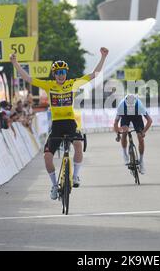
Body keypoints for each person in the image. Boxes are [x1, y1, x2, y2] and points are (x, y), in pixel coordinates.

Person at [11, 47, 109, 200]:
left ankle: (75, 176)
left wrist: (103, 57)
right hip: (56, 124)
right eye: (58, 73)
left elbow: (93, 75)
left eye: (63, 72)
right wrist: (15, 63)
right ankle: (54, 185)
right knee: (47, 156)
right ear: (54, 74)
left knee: (78, 144)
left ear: (66, 74)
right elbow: (28, 78)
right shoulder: (49, 85)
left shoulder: (72, 84)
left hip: (70, 122)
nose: (61, 75)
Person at [113, 94, 153, 174]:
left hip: (136, 117)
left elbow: (149, 120)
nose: (130, 108)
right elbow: (115, 123)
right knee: (124, 132)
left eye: (132, 106)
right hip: (125, 116)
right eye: (129, 106)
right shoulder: (121, 106)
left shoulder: (139, 105)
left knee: (140, 138)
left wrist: (143, 132)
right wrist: (118, 134)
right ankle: (125, 154)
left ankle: (141, 161)